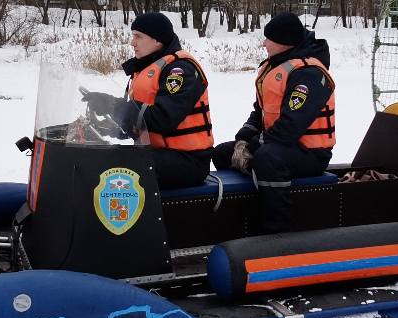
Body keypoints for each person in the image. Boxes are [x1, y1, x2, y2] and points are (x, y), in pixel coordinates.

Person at [213, 12, 335, 232]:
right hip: (278, 145)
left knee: (267, 158)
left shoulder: (309, 73)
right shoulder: (276, 66)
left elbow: (291, 126)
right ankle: (243, 214)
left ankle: (277, 228)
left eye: (268, 39)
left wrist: (253, 146)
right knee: (223, 152)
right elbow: (260, 112)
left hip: (309, 154)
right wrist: (243, 139)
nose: (264, 43)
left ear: (283, 42)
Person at [82, 12, 214, 190]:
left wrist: (115, 106)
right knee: (101, 160)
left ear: (157, 40)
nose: (132, 43)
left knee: (116, 171)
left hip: (188, 160)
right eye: (133, 36)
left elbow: (163, 119)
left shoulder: (180, 71)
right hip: (159, 153)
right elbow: (140, 121)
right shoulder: (147, 67)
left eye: (138, 36)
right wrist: (109, 125)